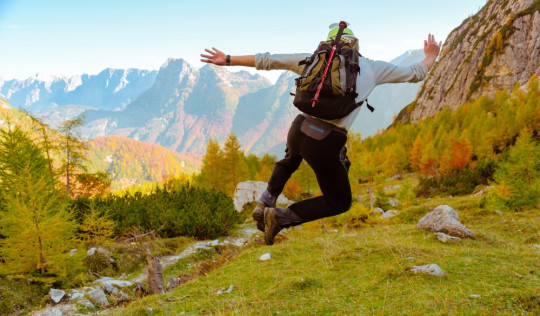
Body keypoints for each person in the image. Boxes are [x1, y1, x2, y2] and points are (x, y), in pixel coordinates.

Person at [201, 24, 441, 245]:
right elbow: (416, 72)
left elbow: (268, 60)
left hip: (298, 128)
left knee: (290, 158)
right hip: (326, 142)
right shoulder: (371, 67)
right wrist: (431, 54)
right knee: (339, 201)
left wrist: (228, 59)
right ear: (355, 44)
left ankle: (266, 199)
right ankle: (280, 217)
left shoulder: (312, 60)